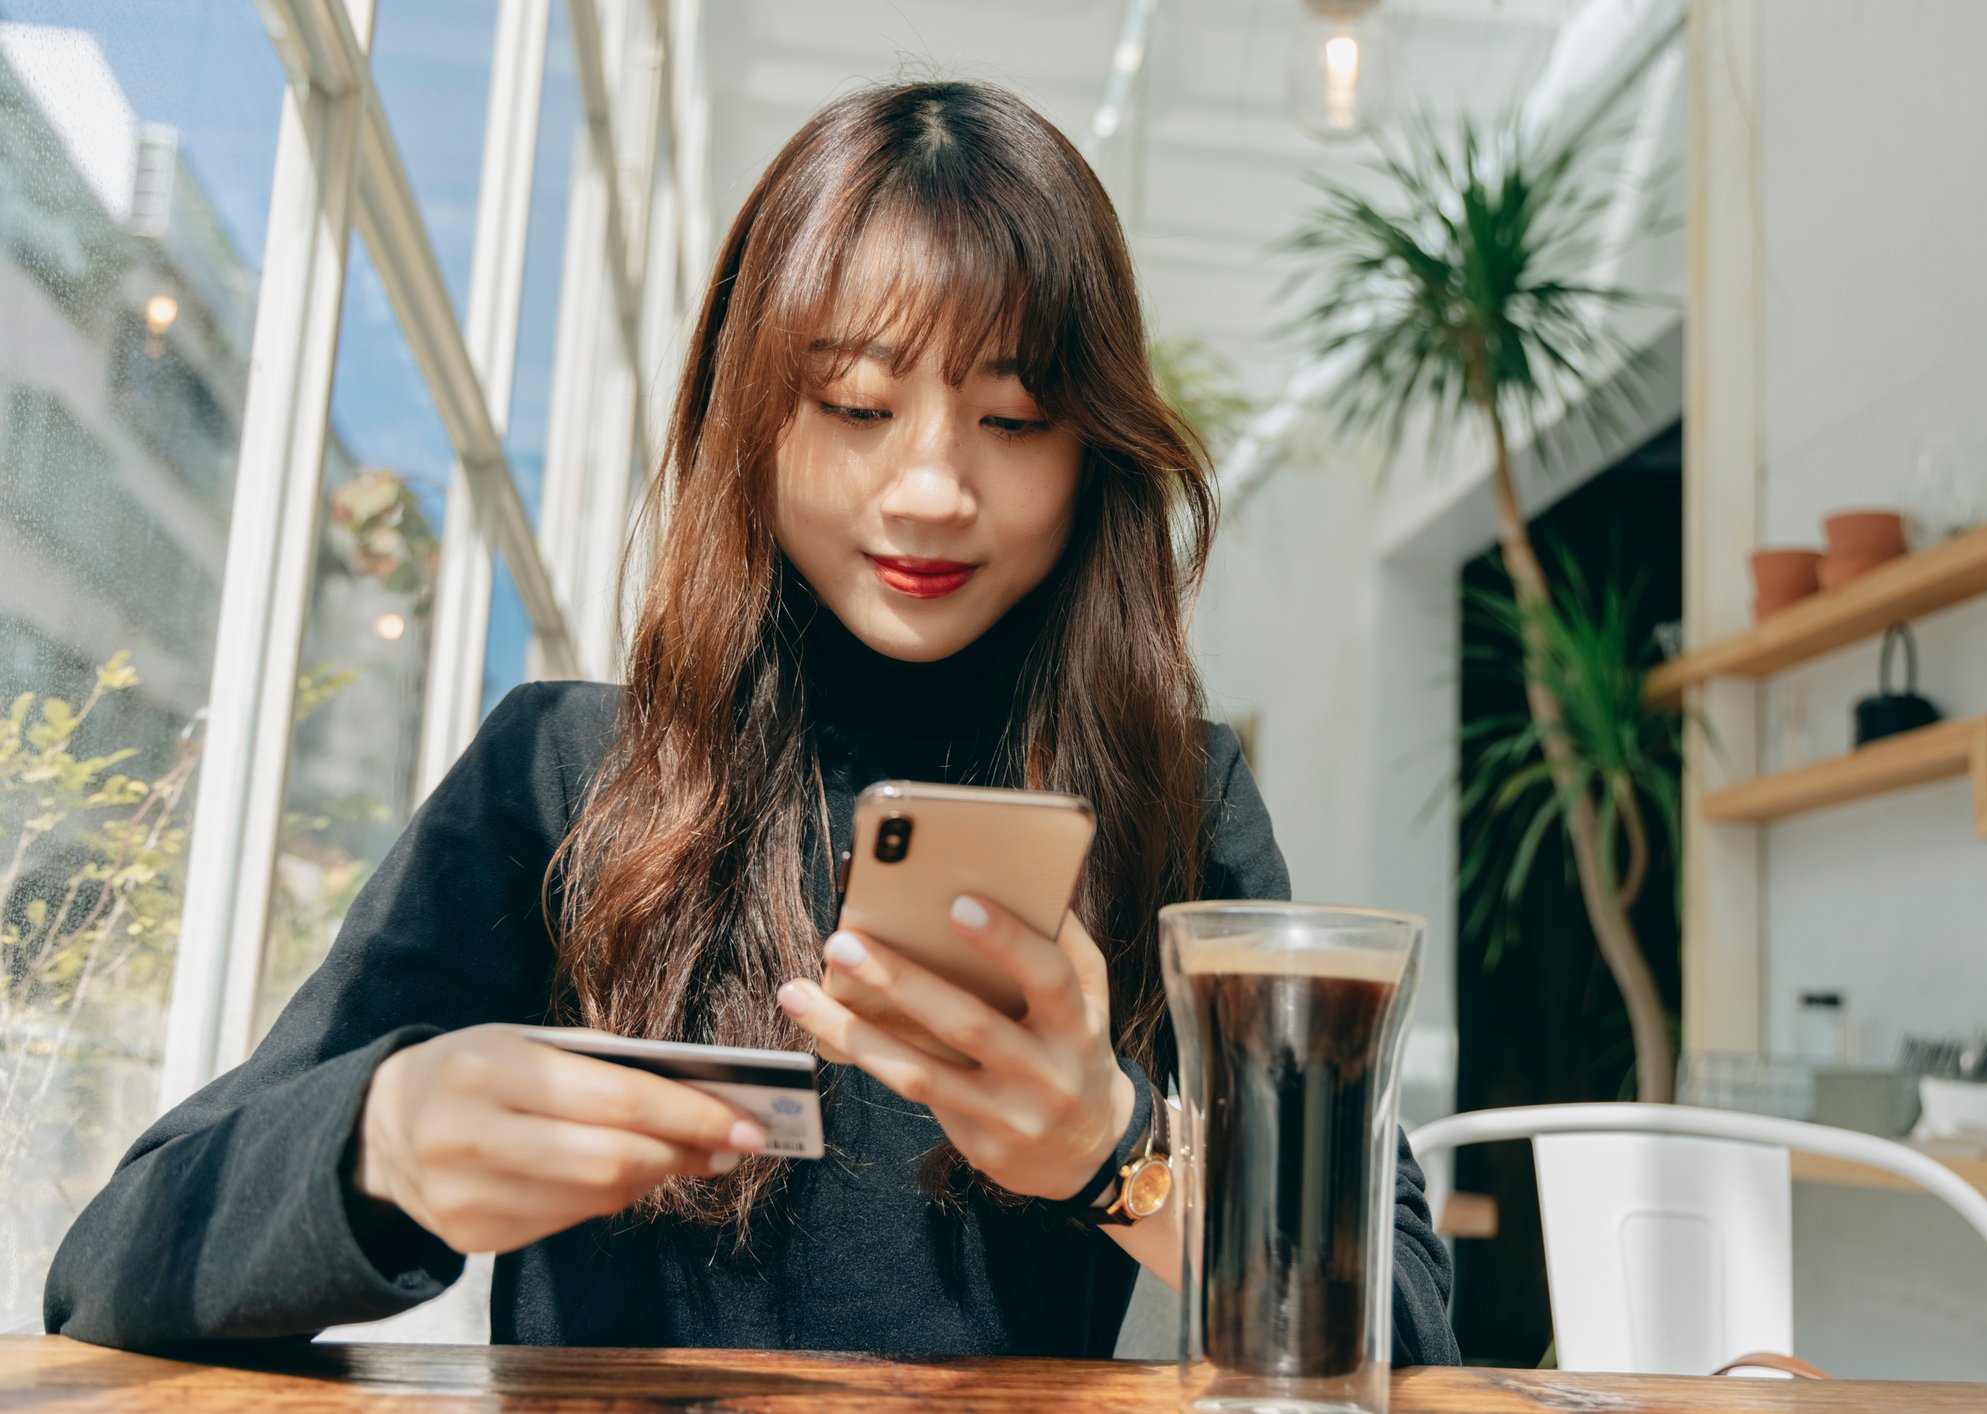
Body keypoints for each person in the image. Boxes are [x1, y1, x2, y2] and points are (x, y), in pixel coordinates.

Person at [44, 80, 1457, 1365]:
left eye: (1013, 419)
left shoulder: (1172, 802)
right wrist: (382, 1143)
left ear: (1095, 452)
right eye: (856, 403)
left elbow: (1403, 1318)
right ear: (752, 412)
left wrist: (1119, 1149)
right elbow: (113, 1263)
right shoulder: (563, 778)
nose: (929, 488)